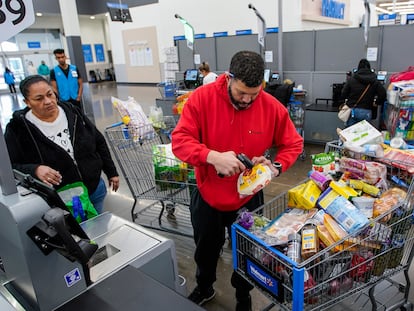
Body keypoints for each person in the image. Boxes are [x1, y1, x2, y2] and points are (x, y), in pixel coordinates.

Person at [171, 51, 303, 310]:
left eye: (254, 94)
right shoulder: (202, 100)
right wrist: (211, 156)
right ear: (229, 78)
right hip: (208, 195)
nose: (247, 100)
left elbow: (293, 144)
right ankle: (205, 286)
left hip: (249, 197)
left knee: (247, 253)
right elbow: (180, 142)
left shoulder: (270, 106)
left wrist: (275, 167)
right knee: (206, 250)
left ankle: (243, 294)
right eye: (242, 93)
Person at [4, 75, 119, 214]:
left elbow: (98, 141)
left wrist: (111, 171)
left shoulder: (73, 113)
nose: (48, 101)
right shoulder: (18, 128)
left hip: (94, 189)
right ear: (27, 102)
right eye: (39, 99)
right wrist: (35, 169)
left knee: (99, 229)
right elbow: (10, 165)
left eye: (50, 94)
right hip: (61, 201)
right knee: (77, 234)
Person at [341, 58, 386, 128]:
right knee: (364, 135)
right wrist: (376, 103)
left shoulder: (352, 79)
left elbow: (343, 94)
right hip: (366, 111)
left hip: (352, 110)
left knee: (349, 134)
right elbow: (383, 94)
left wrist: (349, 99)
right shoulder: (374, 81)